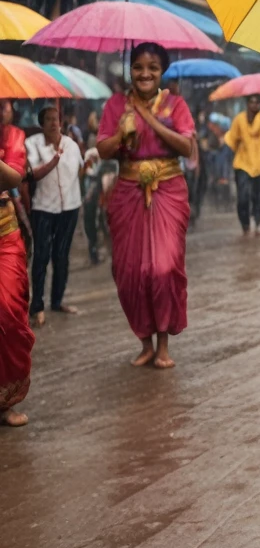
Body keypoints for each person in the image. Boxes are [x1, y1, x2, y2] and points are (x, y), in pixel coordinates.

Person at [97, 43, 194, 369]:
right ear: (130, 70)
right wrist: (123, 135)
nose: (145, 73)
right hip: (127, 192)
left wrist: (148, 119)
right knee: (130, 272)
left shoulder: (175, 104)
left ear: (161, 71)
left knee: (163, 268)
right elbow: (103, 150)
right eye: (138, 67)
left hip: (168, 190)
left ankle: (164, 343)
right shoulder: (115, 105)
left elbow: (186, 145)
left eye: (152, 67)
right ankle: (145, 342)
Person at [26, 105, 84, 326]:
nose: (53, 123)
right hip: (43, 207)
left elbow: (80, 169)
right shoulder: (33, 145)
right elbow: (33, 173)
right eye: (48, 119)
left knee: (61, 255)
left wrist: (89, 161)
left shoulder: (71, 144)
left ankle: (57, 300)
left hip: (70, 206)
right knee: (41, 256)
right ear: (42, 124)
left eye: (56, 118)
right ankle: (37, 306)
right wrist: (53, 160)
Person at [0, 98, 35, 426]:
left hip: (5, 234)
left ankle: (6, 402)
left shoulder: (13, 136)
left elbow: (13, 178)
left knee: (9, 313)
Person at [225, 94, 260, 235]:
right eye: (251, 102)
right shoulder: (239, 120)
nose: (254, 105)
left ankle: (257, 223)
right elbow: (232, 140)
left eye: (257, 102)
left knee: (259, 197)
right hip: (243, 163)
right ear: (247, 104)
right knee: (242, 197)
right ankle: (245, 226)